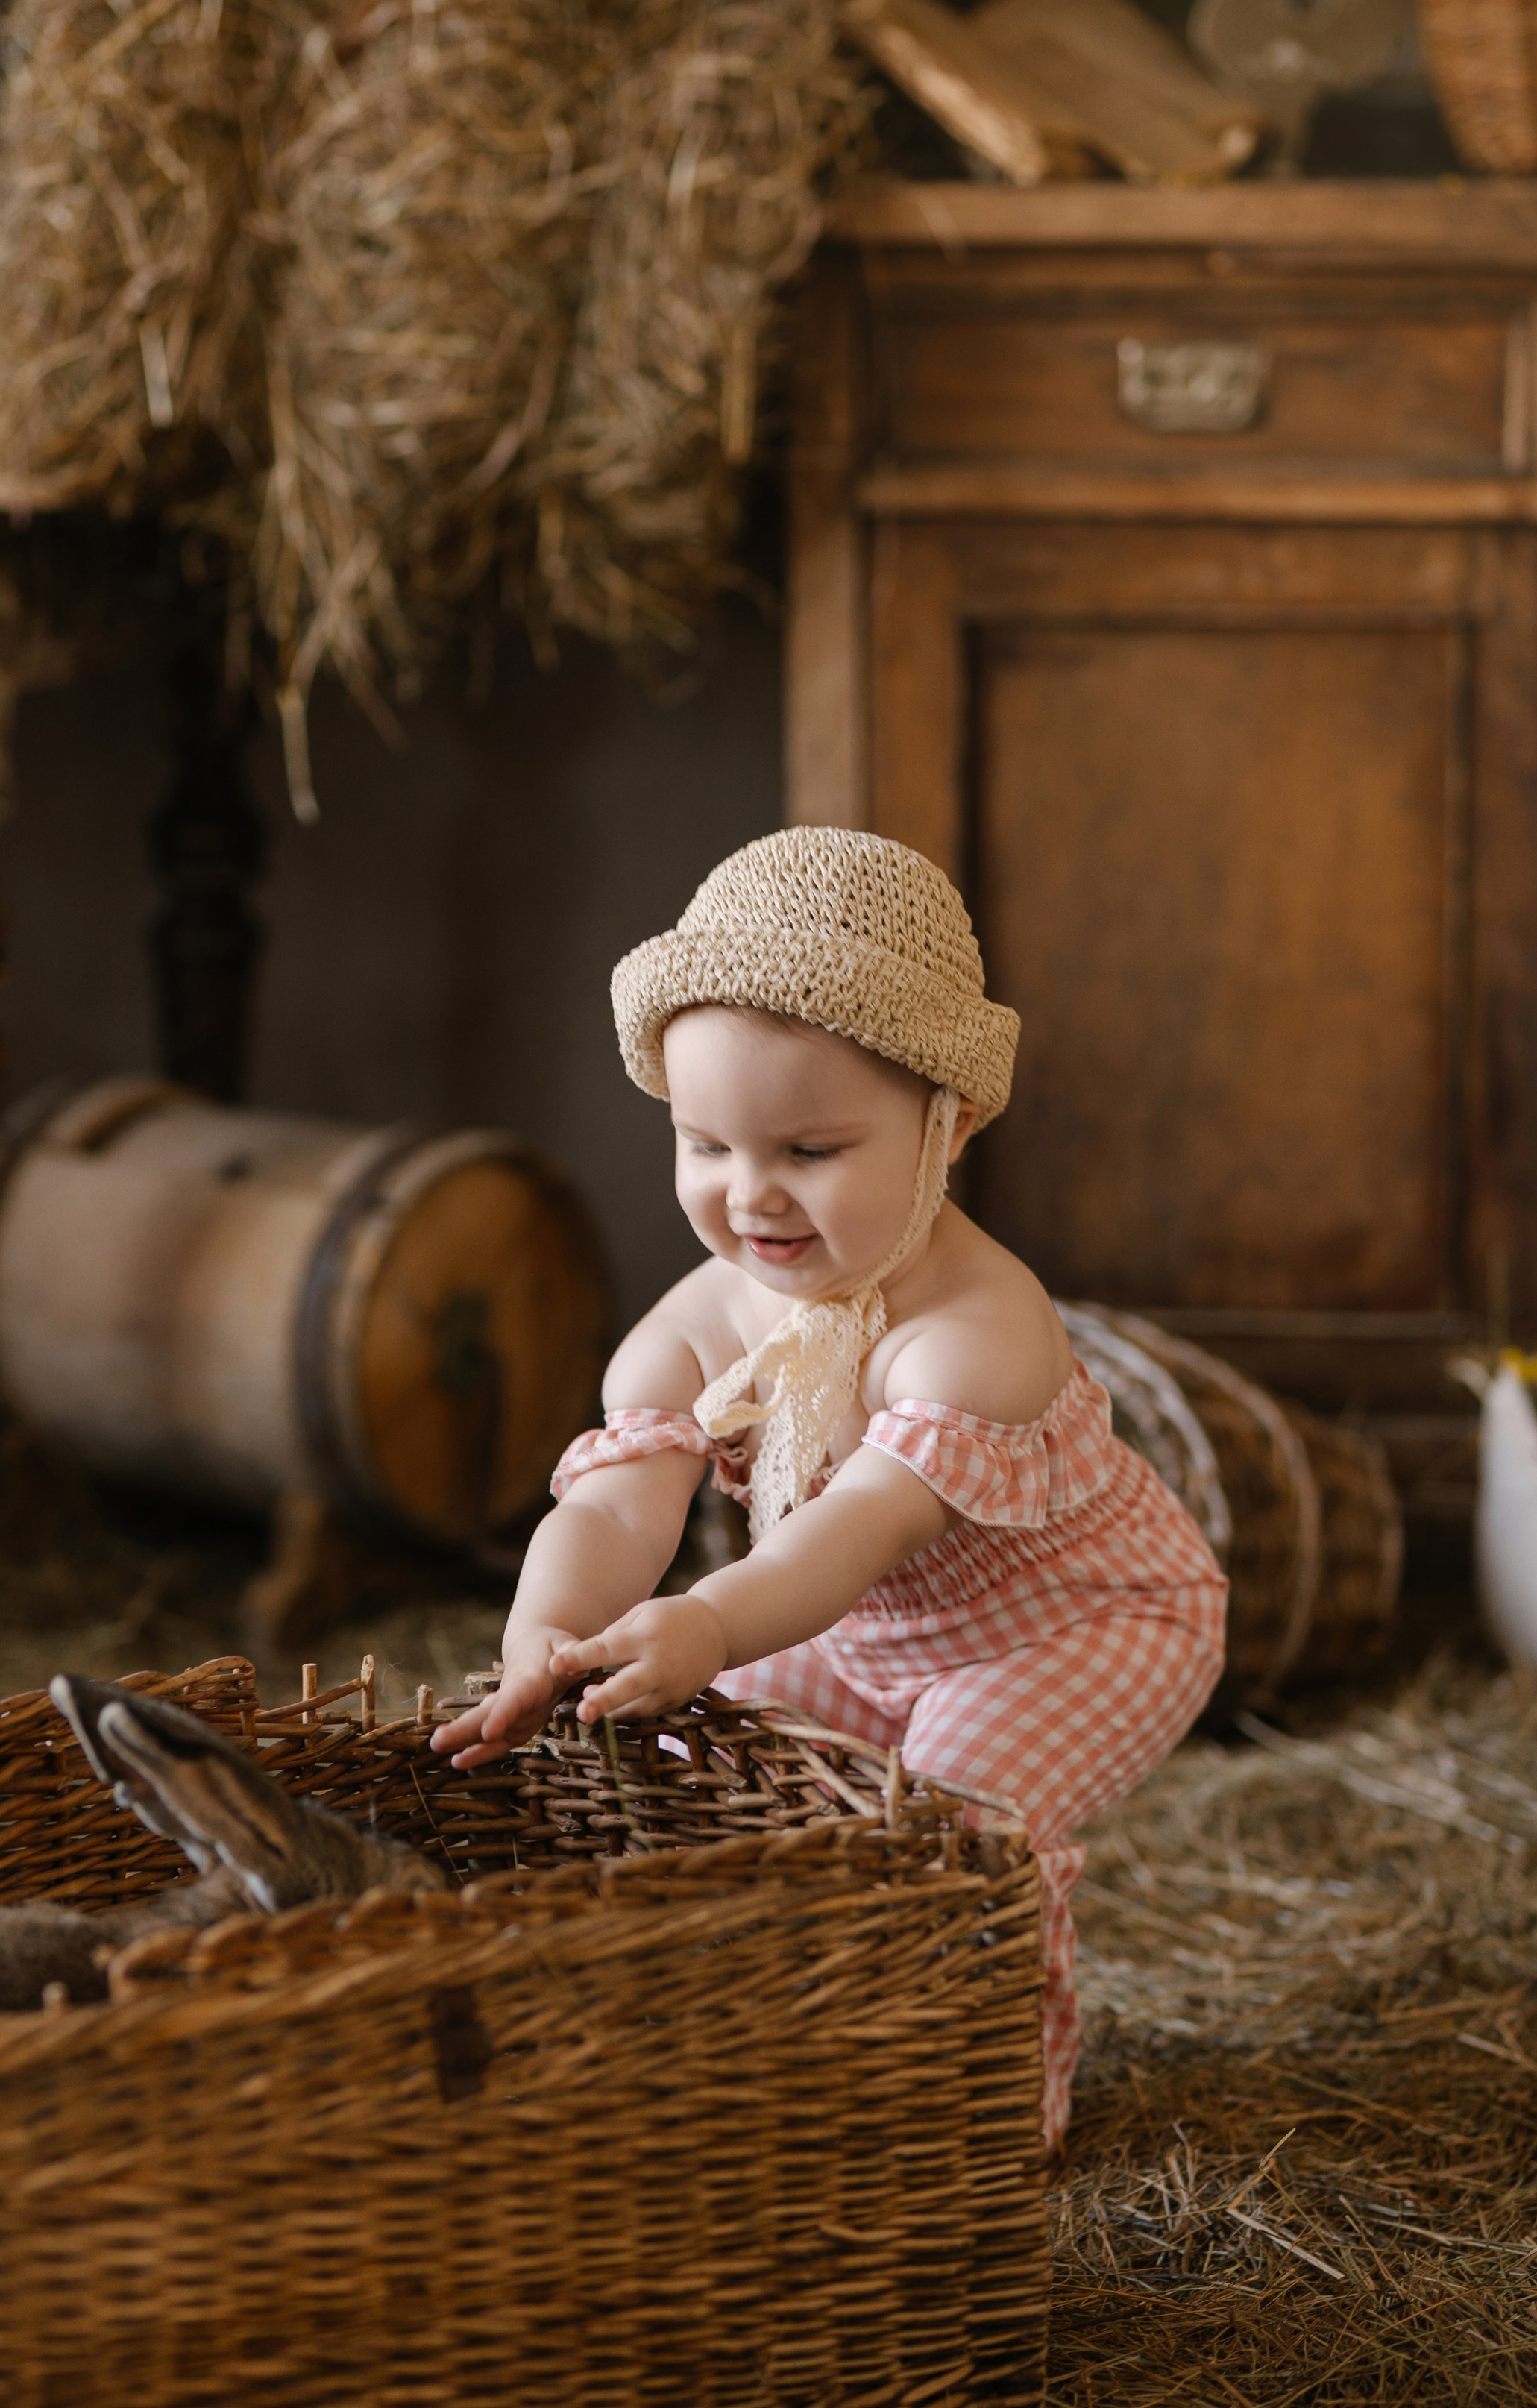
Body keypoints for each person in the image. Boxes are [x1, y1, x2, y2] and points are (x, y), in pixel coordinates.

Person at [431, 826, 1227, 2142]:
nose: (751, 1198)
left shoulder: (977, 1329)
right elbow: (621, 1505)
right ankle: (782, 2045)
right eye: (706, 1145)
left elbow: (850, 1533)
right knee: (692, 1748)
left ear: (945, 1125)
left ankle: (978, 2112)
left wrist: (704, 1622)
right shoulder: (704, 1315)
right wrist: (547, 1638)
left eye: (809, 1152)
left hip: (1088, 1620)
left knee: (955, 1815)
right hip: (863, 1639)